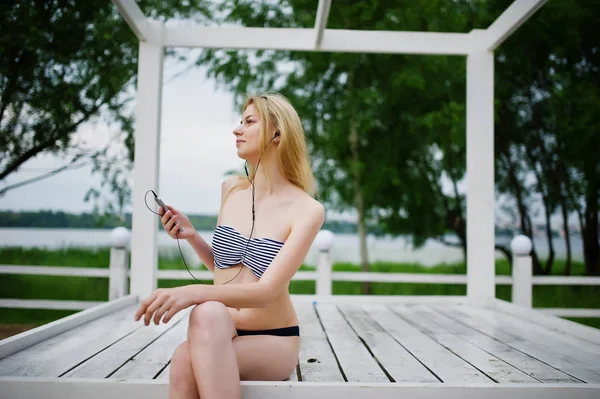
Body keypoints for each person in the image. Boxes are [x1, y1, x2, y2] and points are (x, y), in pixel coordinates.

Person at [134, 91, 325, 399]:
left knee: (194, 337)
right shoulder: (231, 189)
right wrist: (193, 237)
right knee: (201, 326)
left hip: (273, 338)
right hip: (220, 329)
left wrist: (190, 293)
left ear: (278, 133)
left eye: (249, 122)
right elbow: (228, 274)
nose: (237, 130)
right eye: (240, 122)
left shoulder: (307, 209)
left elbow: (264, 293)